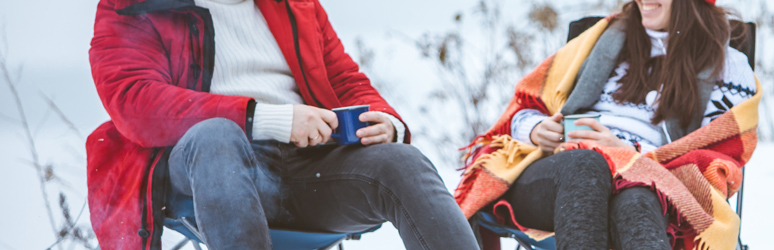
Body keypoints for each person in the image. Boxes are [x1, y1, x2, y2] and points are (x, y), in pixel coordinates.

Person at [85, 0, 479, 249]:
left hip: (309, 166)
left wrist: (385, 121)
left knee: (400, 161)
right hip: (205, 168)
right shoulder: (135, 6)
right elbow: (134, 102)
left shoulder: (296, 5)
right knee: (217, 136)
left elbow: (344, 80)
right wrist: (267, 118)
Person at [454, 0, 760, 249]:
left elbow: (719, 159)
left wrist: (632, 156)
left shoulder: (727, 65)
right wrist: (535, 129)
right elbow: (525, 107)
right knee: (586, 165)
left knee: (638, 196)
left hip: (650, 183)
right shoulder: (598, 41)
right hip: (559, 170)